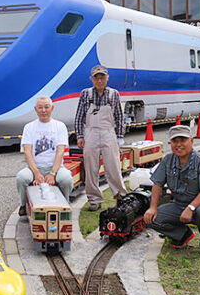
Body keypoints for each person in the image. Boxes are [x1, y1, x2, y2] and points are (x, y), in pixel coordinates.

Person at [143, 125, 200, 257]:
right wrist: (153, 207)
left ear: (192, 141)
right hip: (178, 205)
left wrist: (191, 208)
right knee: (151, 219)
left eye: (182, 140)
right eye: (174, 141)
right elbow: (157, 184)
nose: (179, 145)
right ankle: (182, 235)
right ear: (170, 143)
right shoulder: (168, 160)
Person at [74, 65, 127, 211]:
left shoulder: (114, 94)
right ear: (91, 79)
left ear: (107, 78)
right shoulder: (85, 94)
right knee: (91, 168)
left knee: (114, 167)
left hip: (108, 132)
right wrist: (79, 135)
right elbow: (79, 117)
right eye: (96, 77)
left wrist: (120, 136)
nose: (99, 80)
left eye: (102, 77)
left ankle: (121, 197)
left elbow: (119, 117)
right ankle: (94, 200)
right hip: (90, 133)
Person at [15, 96, 73, 216]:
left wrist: (52, 173)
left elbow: (60, 152)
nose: (43, 110)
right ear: (35, 109)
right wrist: (36, 173)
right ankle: (23, 205)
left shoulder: (60, 126)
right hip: (34, 167)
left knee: (66, 179)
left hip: (55, 167)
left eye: (46, 107)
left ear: (52, 108)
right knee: (21, 178)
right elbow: (27, 152)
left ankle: (65, 204)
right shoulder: (29, 127)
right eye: (40, 107)